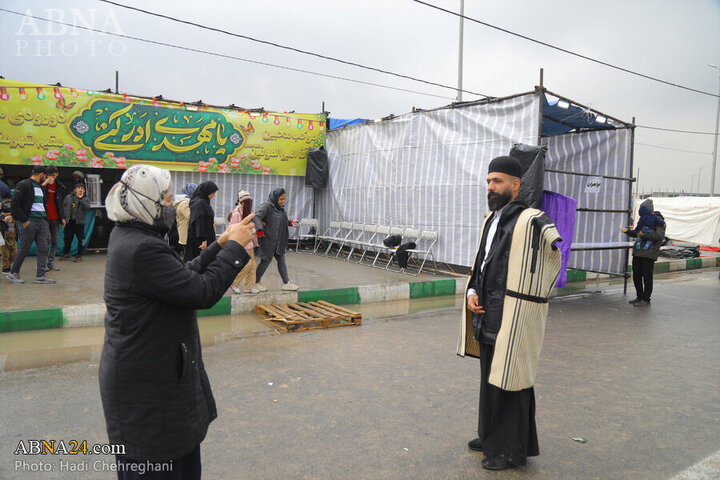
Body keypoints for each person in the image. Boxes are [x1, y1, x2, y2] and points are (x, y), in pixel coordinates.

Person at [99, 165, 254, 480]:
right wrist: (237, 248)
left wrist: (221, 243)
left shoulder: (134, 236)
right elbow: (201, 291)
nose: (172, 206)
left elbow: (182, 275)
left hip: (155, 381)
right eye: (167, 201)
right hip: (148, 393)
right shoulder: (141, 248)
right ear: (147, 204)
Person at [457, 156, 562, 471]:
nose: (491, 187)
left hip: (514, 318)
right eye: (489, 181)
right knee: (491, 379)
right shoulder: (491, 220)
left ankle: (512, 451)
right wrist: (473, 292)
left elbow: (555, 250)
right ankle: (490, 435)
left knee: (513, 382)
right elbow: (483, 264)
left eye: (498, 181)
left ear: (516, 185)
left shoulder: (530, 219)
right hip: (488, 315)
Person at [7, 166, 55, 284]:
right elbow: (15, 205)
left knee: (43, 248)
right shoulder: (24, 185)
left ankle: (40, 275)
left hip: (41, 221)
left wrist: (44, 220)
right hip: (29, 221)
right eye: (45, 175)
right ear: (41, 174)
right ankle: (13, 272)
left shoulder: (39, 186)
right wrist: (24, 220)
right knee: (24, 248)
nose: (46, 177)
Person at [253, 187, 299, 291]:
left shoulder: (281, 210)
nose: (283, 202)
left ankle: (286, 283)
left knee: (281, 260)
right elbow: (255, 217)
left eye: (284, 199)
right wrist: (259, 229)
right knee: (266, 261)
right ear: (275, 197)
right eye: (281, 199)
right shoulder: (267, 206)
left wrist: (291, 223)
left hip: (279, 241)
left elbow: (282, 221)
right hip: (268, 240)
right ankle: (255, 282)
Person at [622, 199, 666, 306]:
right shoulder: (643, 219)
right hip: (638, 252)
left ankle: (646, 299)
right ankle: (639, 296)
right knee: (636, 275)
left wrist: (643, 235)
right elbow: (638, 232)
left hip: (649, 253)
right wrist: (627, 232)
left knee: (647, 276)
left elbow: (659, 236)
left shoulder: (658, 221)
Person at [228, 190, 260, 294]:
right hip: (240, 243)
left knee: (253, 265)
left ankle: (249, 287)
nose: (249, 204)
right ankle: (234, 283)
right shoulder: (236, 214)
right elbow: (233, 228)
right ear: (242, 202)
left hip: (249, 243)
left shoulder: (248, 213)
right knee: (247, 264)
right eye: (247, 202)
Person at [184, 182, 218, 262]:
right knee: (200, 261)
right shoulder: (201, 204)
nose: (214, 195)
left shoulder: (202, 202)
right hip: (200, 239)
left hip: (201, 236)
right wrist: (203, 240)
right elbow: (200, 222)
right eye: (212, 192)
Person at [41, 165, 67, 271]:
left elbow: (61, 204)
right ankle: (41, 263)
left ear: (57, 174)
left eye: (53, 175)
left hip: (55, 218)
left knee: (54, 241)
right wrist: (45, 183)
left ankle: (51, 262)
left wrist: (63, 218)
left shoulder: (59, 186)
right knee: (45, 240)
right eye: (49, 175)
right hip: (44, 217)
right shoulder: (42, 185)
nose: (51, 177)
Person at [60, 183, 92, 262]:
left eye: (82, 188)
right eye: (78, 188)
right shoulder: (68, 197)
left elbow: (87, 207)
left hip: (79, 222)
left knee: (80, 239)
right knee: (67, 238)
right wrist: (63, 218)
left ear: (84, 191)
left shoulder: (86, 199)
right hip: (69, 221)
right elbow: (63, 206)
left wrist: (80, 199)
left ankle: (79, 255)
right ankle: (66, 253)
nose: (80, 190)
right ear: (75, 190)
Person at [172, 183, 197, 256]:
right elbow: (190, 216)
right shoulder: (184, 203)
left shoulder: (185, 202)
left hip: (186, 233)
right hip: (185, 233)